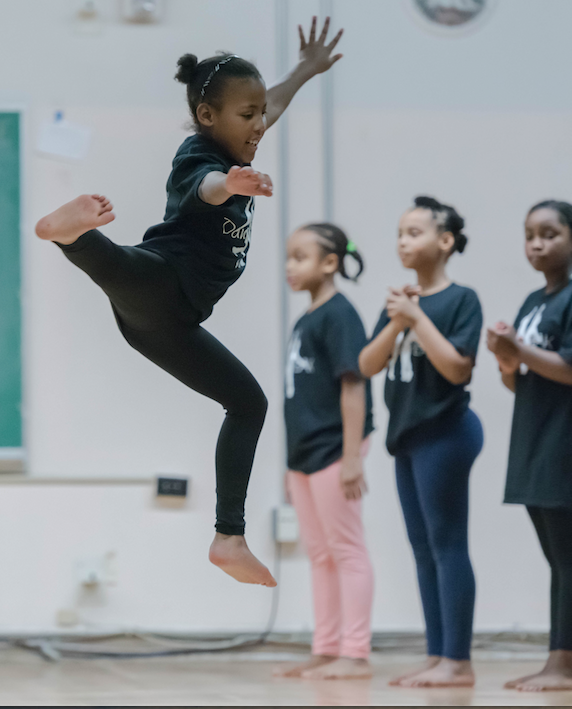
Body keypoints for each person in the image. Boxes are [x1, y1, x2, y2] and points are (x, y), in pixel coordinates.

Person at [33, 17, 344, 587]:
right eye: (247, 117)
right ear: (208, 117)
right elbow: (205, 186)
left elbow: (269, 103)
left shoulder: (239, 131)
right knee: (126, 268)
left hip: (171, 324)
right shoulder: (199, 154)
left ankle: (229, 539)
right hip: (164, 279)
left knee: (248, 403)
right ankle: (70, 234)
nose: (260, 125)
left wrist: (305, 68)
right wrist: (233, 183)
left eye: (258, 116)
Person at [359, 196, 483, 688]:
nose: (403, 241)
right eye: (400, 233)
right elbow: (367, 364)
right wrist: (398, 318)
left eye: (414, 232)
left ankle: (459, 660)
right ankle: (439, 655)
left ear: (445, 241)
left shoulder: (460, 299)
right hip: (407, 438)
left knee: (448, 544)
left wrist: (416, 316)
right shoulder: (400, 303)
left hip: (447, 433)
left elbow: (457, 367)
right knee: (423, 548)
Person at [487, 200, 572, 693]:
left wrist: (518, 351)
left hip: (568, 445)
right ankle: (556, 660)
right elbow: (523, 382)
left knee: (571, 555)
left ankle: (567, 664)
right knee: (557, 558)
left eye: (550, 233)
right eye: (529, 234)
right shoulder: (534, 301)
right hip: (534, 443)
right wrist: (504, 361)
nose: (537, 243)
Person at [275, 223, 375, 680]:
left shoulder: (340, 315)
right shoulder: (305, 319)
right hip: (305, 456)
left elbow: (353, 385)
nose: (290, 266)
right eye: (289, 257)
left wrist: (352, 457)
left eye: (300, 257)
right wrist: (290, 464)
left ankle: (354, 652)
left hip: (335, 450)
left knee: (346, 550)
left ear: (330, 263)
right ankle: (326, 646)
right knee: (319, 554)